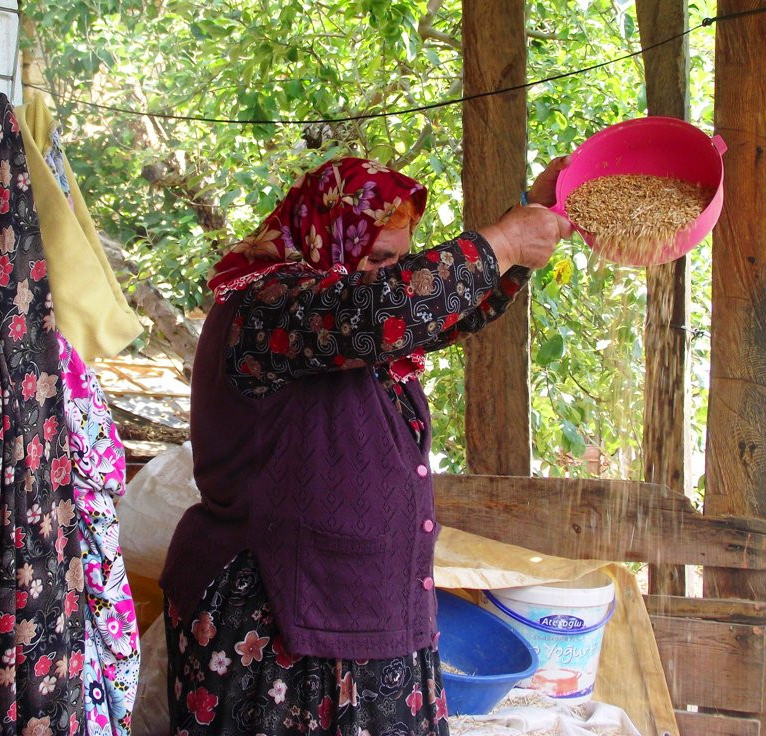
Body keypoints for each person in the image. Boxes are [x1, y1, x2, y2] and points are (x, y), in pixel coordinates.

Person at [160, 156, 573, 735]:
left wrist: (526, 232)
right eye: (379, 259)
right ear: (322, 238)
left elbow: (431, 312)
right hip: (279, 629)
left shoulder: (355, 322)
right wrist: (502, 241)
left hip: (352, 615)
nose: (391, 275)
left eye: (399, 260)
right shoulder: (269, 304)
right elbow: (380, 309)